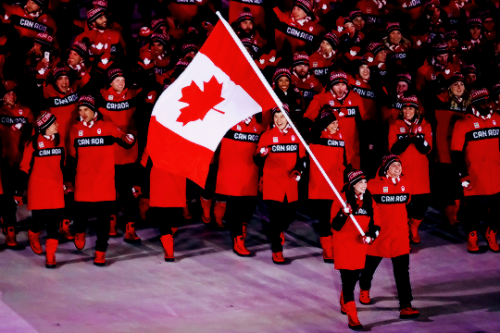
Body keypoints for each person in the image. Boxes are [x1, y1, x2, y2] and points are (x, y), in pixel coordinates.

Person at [66, 95, 135, 266]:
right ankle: (80, 231)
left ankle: (100, 251)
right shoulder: (75, 130)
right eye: (80, 110)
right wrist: (69, 181)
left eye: (86, 110)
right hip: (83, 181)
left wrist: (129, 139)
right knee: (81, 216)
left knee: (103, 220)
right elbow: (72, 158)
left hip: (104, 182)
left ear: (94, 110)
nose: (82, 114)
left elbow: (124, 140)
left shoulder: (107, 126)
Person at [359, 154, 420, 319]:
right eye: (394, 166)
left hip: (400, 237)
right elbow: (363, 205)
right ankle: (364, 287)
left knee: (402, 272)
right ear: (386, 168)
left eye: (399, 165)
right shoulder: (372, 186)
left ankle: (406, 305)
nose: (398, 168)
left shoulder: (406, 184)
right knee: (368, 268)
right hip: (379, 235)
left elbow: (407, 206)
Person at [451, 88, 500, 253]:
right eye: (485, 102)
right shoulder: (463, 123)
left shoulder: (498, 119)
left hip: (497, 173)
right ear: (477, 104)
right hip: (474, 175)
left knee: (498, 207)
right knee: (473, 210)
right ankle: (472, 236)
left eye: (489, 101)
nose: (490, 104)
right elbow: (456, 152)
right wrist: (463, 175)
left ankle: (491, 232)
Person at [256, 105, 307, 264]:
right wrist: (261, 154)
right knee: (275, 218)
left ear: (288, 118)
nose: (279, 120)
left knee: (289, 215)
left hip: (291, 183)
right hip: (273, 182)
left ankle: (278, 231)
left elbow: (303, 159)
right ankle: (277, 250)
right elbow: (256, 159)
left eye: (282, 117)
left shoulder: (296, 136)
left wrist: (298, 171)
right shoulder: (267, 136)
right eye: (276, 117)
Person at [332, 169, 381, 330]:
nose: (364, 185)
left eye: (365, 182)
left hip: (360, 247)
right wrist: (343, 213)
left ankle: (343, 298)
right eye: (360, 183)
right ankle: (353, 317)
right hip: (344, 246)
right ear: (352, 185)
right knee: (348, 282)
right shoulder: (341, 200)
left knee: (355, 277)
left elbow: (377, 224)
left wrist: (371, 236)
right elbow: (334, 226)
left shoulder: (369, 201)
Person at [17, 112, 65, 268]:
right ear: (46, 127)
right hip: (38, 189)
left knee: (53, 222)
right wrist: (18, 191)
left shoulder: (60, 141)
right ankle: (33, 233)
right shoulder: (33, 144)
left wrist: (67, 182)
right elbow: (24, 167)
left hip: (56, 188)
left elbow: (64, 164)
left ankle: (50, 255)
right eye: (54, 123)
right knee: (38, 220)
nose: (57, 125)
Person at [215, 115, 263, 256]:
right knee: (236, 210)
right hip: (233, 177)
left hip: (251, 176)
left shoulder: (259, 128)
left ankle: (241, 230)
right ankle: (238, 240)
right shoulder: (228, 124)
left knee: (249, 209)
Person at [308, 109, 352, 262]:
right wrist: (324, 119)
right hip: (321, 185)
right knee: (324, 218)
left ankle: (337, 243)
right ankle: (327, 247)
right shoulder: (316, 136)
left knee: (338, 216)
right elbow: (312, 132)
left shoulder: (341, 137)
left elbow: (347, 160)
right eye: (332, 123)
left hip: (338, 185)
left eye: (336, 122)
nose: (336, 125)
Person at [389, 95, 433, 243]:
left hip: (420, 172)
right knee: (403, 205)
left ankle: (413, 226)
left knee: (422, 204)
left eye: (411, 108)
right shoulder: (395, 125)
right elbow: (393, 149)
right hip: (403, 172)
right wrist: (408, 138)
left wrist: (418, 138)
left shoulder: (426, 125)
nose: (408, 111)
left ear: (416, 110)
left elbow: (427, 149)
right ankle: (405, 232)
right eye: (405, 108)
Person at [0, 82, 35, 248]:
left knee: (16, 196)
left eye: (13, 92)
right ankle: (11, 229)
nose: (12, 96)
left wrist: (25, 125)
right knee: (7, 197)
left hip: (21, 161)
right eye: (8, 93)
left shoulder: (26, 110)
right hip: (4, 160)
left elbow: (35, 127)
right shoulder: (0, 110)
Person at [305, 70, 364, 168]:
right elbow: (308, 118)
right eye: (337, 85)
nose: (341, 88)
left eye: (343, 84)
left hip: (352, 150)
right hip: (329, 149)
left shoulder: (356, 98)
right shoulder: (321, 98)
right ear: (331, 85)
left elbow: (364, 121)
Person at [433, 73, 470, 225]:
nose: (459, 87)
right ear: (449, 88)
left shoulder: (469, 104)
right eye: (455, 84)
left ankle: (459, 210)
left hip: (463, 150)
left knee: (460, 183)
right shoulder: (441, 101)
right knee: (449, 183)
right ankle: (451, 212)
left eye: (462, 84)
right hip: (445, 150)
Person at [140, 149, 185, 262]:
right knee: (164, 214)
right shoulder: (154, 142)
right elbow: (145, 163)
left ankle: (168, 242)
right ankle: (169, 248)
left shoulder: (181, 140)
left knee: (171, 217)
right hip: (161, 179)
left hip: (175, 179)